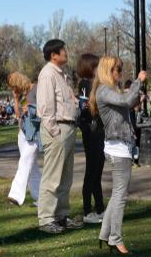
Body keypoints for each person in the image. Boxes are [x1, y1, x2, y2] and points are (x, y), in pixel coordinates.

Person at [92, 56, 147, 255]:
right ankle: (115, 238)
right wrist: (138, 81)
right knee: (120, 196)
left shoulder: (109, 90)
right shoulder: (105, 91)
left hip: (119, 146)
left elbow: (127, 104)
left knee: (117, 194)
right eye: (118, 69)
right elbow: (126, 100)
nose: (121, 73)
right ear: (109, 71)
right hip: (118, 149)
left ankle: (105, 234)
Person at [36, 39, 83, 234]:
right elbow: (46, 107)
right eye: (63, 50)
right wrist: (55, 132)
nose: (66, 53)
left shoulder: (62, 75)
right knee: (52, 177)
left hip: (68, 128)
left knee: (65, 177)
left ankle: (61, 215)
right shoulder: (48, 74)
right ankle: (46, 219)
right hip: (58, 129)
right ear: (53, 55)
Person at [76, 54, 104, 224]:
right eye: (96, 66)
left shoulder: (95, 84)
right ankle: (87, 210)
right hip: (91, 131)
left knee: (98, 171)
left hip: (98, 130)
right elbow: (85, 107)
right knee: (91, 171)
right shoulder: (85, 84)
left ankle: (100, 208)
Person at [7, 71, 41, 207]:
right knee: (32, 167)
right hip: (23, 132)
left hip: (34, 133)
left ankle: (15, 195)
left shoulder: (36, 89)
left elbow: (44, 110)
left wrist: (32, 109)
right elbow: (18, 115)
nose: (14, 89)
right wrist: (16, 99)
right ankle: (41, 197)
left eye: (14, 86)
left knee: (25, 161)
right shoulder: (22, 95)